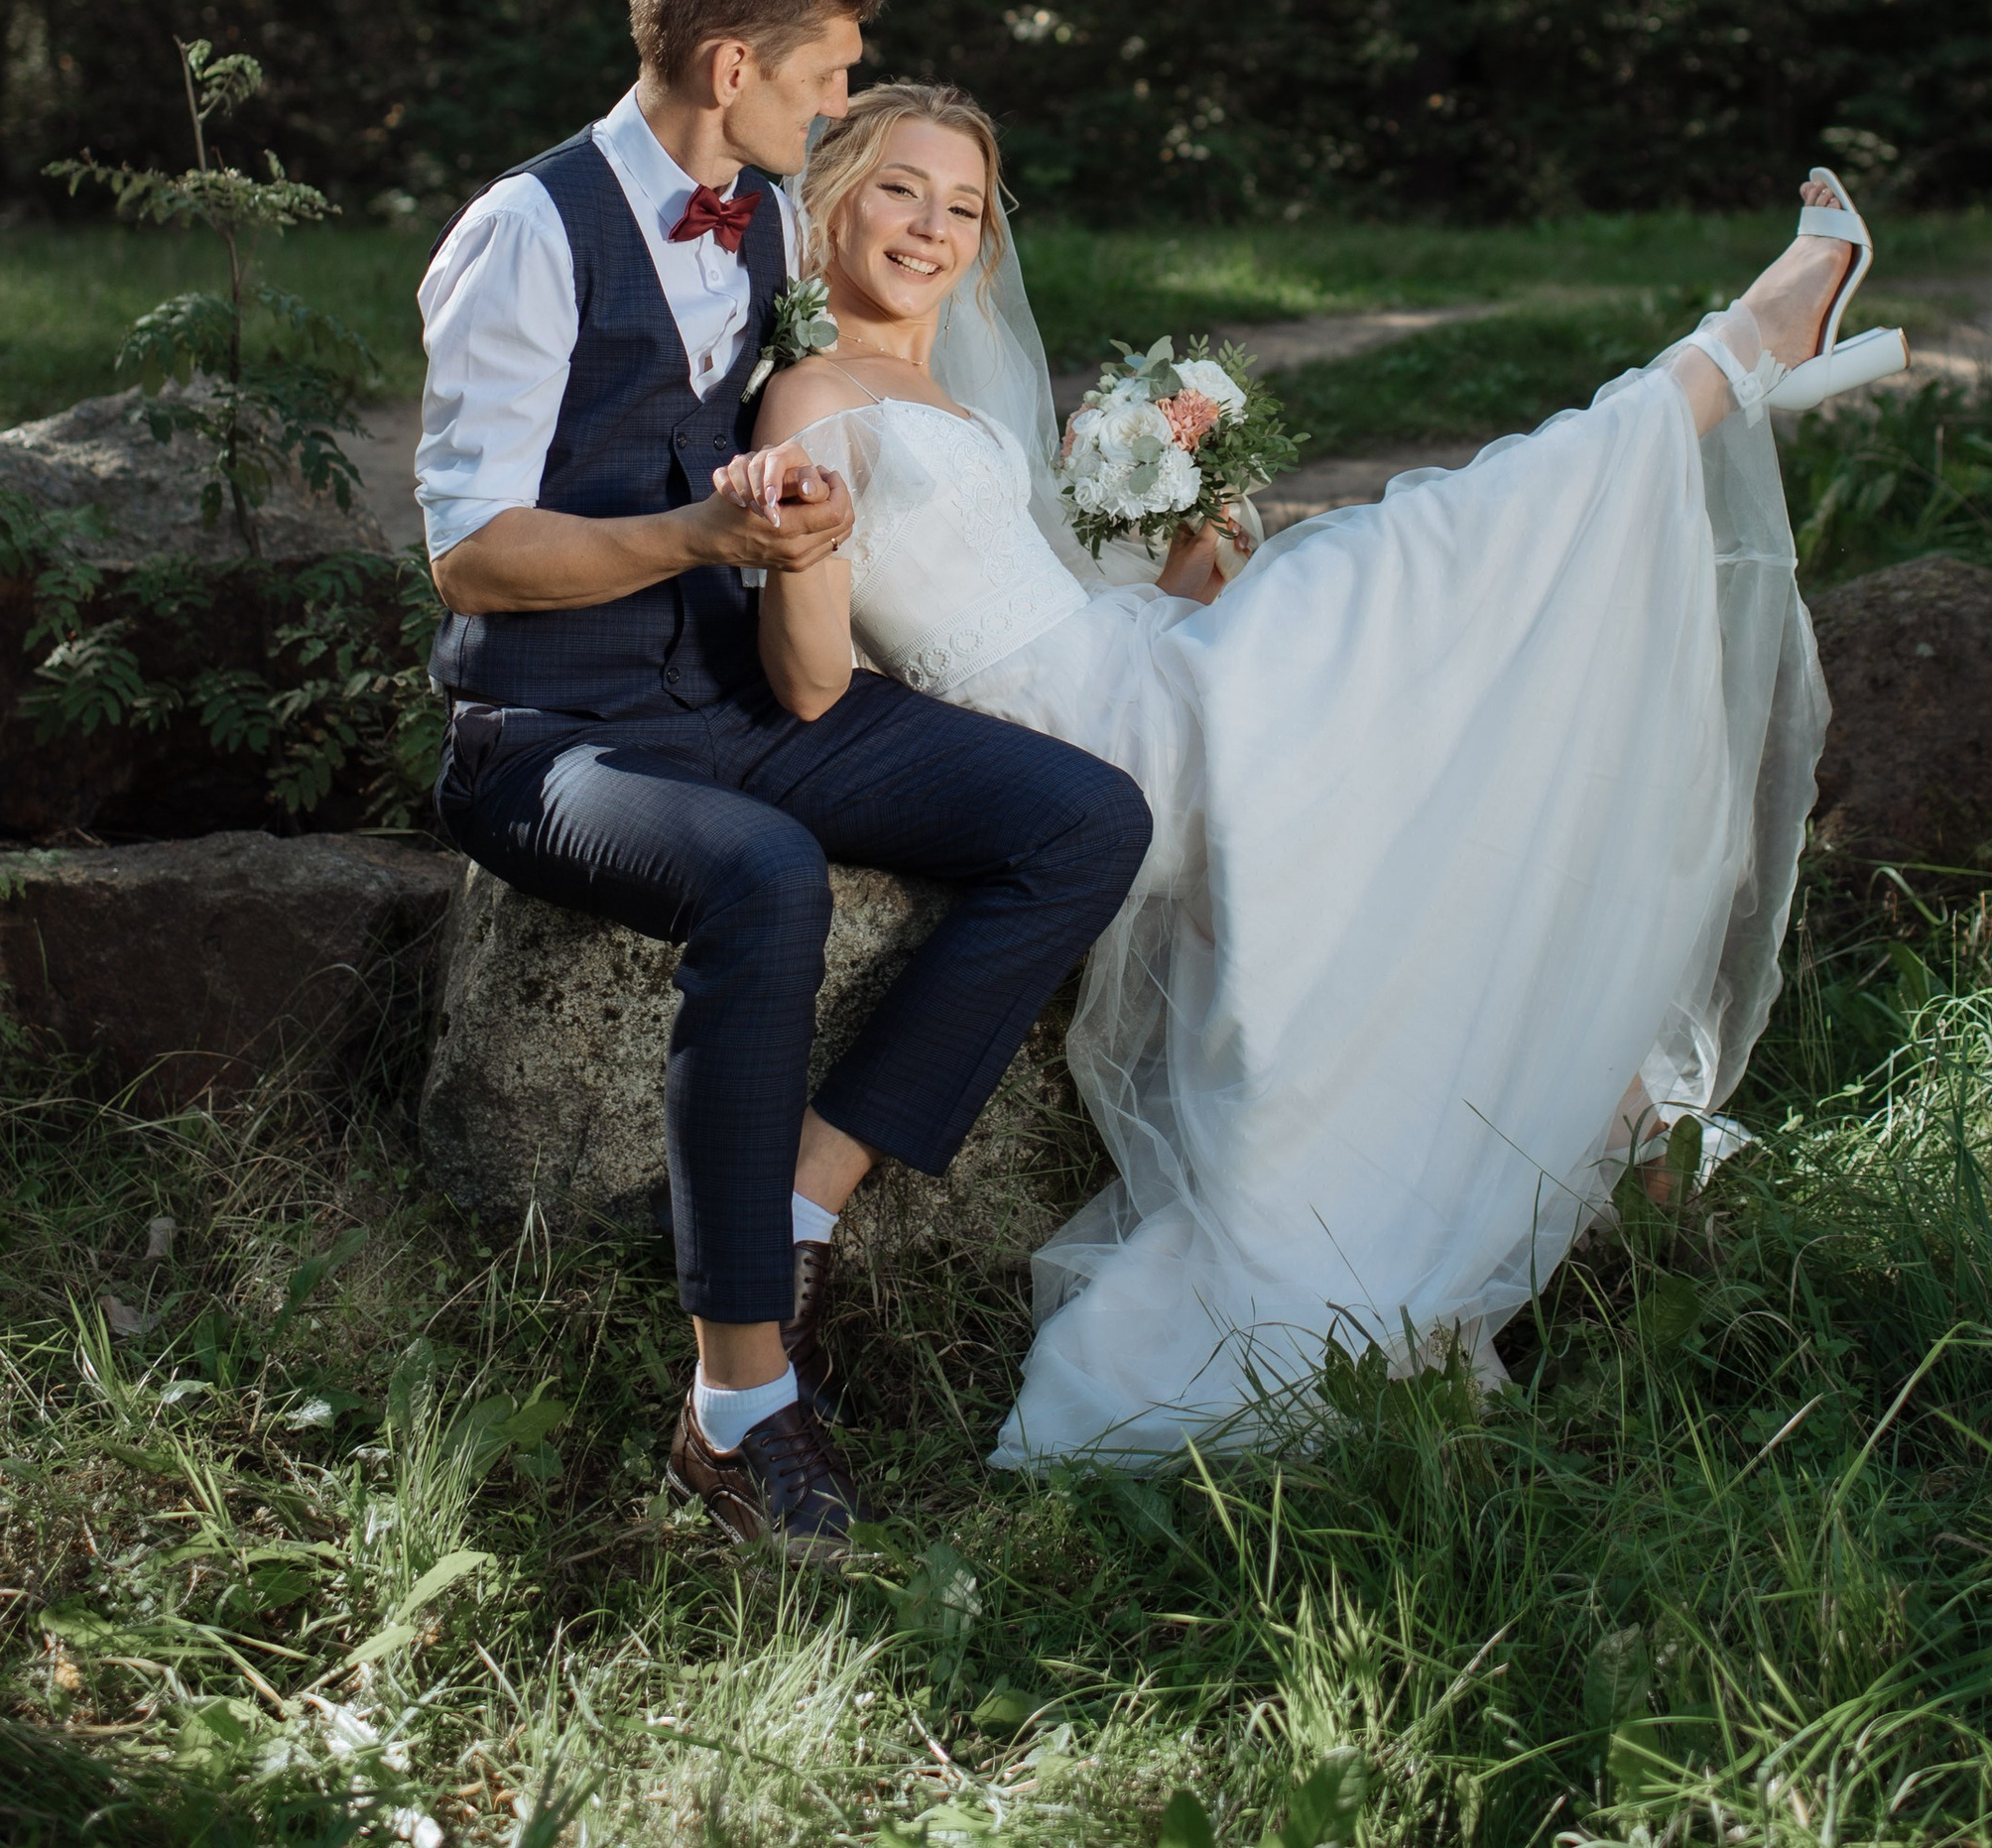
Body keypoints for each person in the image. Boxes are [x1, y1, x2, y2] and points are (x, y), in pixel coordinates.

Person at [734, 78, 1881, 1466]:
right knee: (1424, 560)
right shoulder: (811, 393)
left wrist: (1189, 543)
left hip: (1125, 681)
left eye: (963, 205)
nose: (932, 227)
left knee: (1426, 782)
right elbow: (808, 677)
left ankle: (1632, 1133)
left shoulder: (944, 388)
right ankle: (1745, 346)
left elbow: (1035, 591)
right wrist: (800, 547)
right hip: (1072, 735)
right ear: (836, 196)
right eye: (902, 190)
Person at [414, 0, 1150, 1566]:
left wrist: (798, 519)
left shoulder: (748, 223)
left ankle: (806, 1200)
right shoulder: (523, 235)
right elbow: (471, 550)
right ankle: (736, 1405)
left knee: (1085, 821)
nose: (836, 115)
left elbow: (761, 442)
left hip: (736, 696)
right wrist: (702, 540)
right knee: (761, 876)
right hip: (553, 739)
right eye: (826, 82)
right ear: (735, 61)